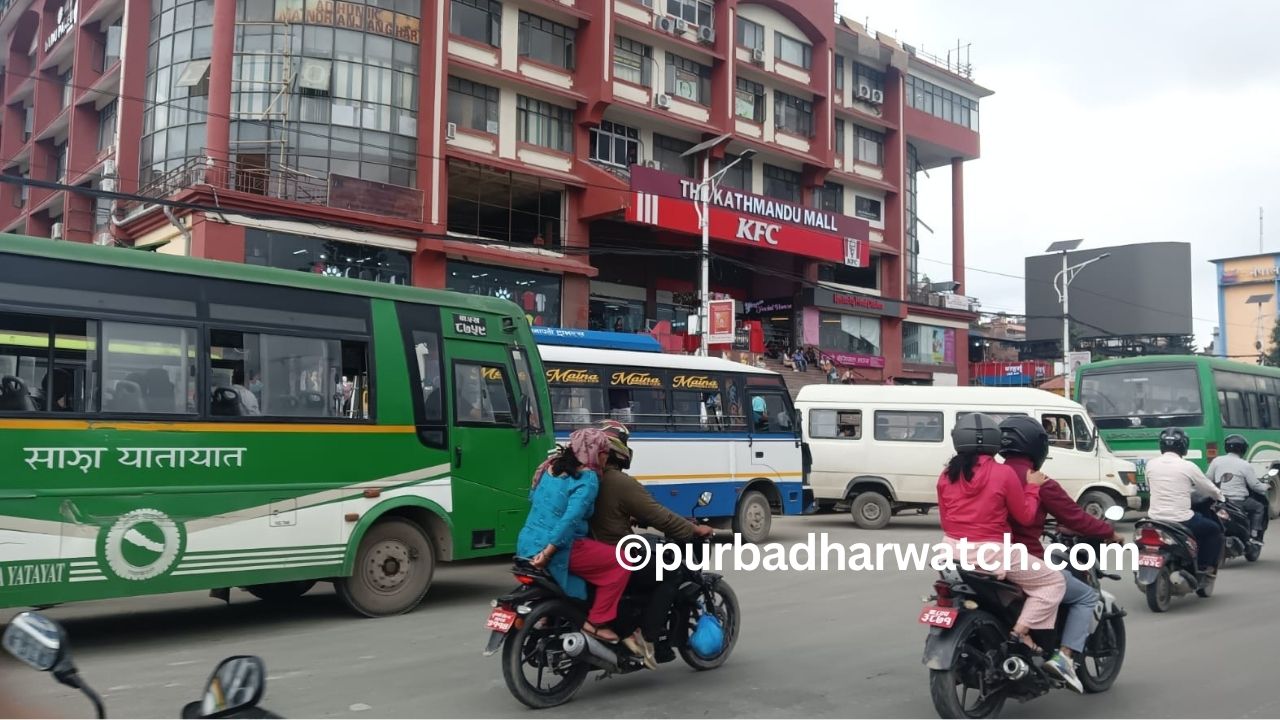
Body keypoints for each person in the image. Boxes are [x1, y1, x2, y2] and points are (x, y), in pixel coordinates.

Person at [998, 416, 1124, 693]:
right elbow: (1076, 517)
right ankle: (1065, 658)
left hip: (979, 556)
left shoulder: (990, 475)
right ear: (1037, 446)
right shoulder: (1039, 481)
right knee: (1085, 595)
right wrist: (1109, 532)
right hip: (1024, 559)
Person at [935, 413, 1065, 654]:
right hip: (992, 555)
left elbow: (945, 521)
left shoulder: (946, 476)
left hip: (950, 554)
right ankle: (1021, 633)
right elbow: (1025, 517)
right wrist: (1033, 488)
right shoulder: (1003, 473)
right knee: (1053, 582)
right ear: (995, 442)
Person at [589, 420, 714, 669]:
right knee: (672, 570)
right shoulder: (618, 481)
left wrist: (628, 517)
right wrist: (693, 529)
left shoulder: (589, 477)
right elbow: (659, 515)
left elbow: (606, 512)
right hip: (612, 553)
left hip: (588, 550)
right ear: (619, 450)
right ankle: (648, 637)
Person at [516, 428, 633, 644]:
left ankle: (553, 615)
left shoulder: (548, 467)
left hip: (526, 544)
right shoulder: (587, 478)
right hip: (556, 548)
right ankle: (597, 622)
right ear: (595, 452)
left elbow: (535, 500)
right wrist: (548, 553)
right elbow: (570, 519)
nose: (605, 459)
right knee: (623, 561)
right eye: (604, 453)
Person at [1146, 427, 1225, 575]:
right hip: (1181, 519)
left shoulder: (1150, 464)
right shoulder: (1188, 466)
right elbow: (1209, 488)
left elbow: (1150, 485)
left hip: (1154, 518)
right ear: (1184, 445)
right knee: (1213, 530)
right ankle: (1204, 567)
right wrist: (1221, 498)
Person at [1207, 434, 1269, 545]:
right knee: (1259, 507)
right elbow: (1255, 486)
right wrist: (1266, 487)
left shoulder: (1216, 461)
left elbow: (1208, 478)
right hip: (1238, 501)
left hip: (1220, 501)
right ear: (1243, 449)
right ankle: (1254, 535)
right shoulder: (1245, 465)